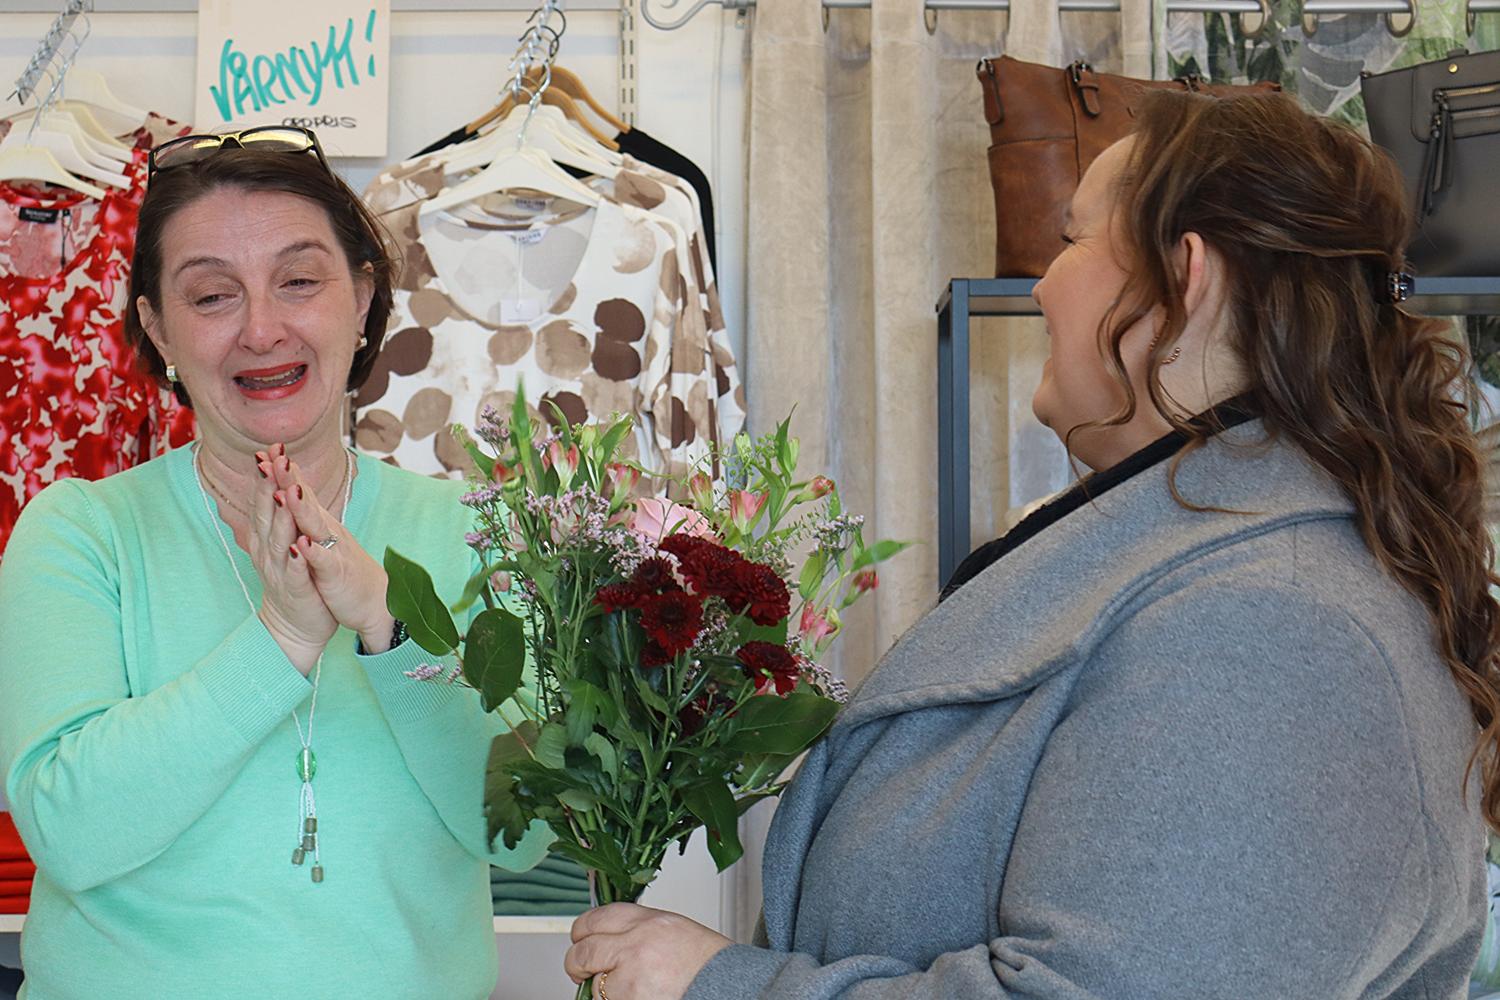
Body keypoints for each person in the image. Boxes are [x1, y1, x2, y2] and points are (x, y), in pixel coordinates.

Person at [563, 91, 1497, 999]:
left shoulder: (1276, 628)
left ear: (1186, 275)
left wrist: (720, 986)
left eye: (1074, 238)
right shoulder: (1193, 568)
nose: (1044, 281)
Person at [0, 127, 547, 1000]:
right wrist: (282, 636)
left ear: (363, 298)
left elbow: (523, 835)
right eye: (213, 296)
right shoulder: (79, 532)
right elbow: (71, 830)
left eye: (299, 281)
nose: (262, 328)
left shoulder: (477, 530)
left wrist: (387, 626)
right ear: (157, 327)